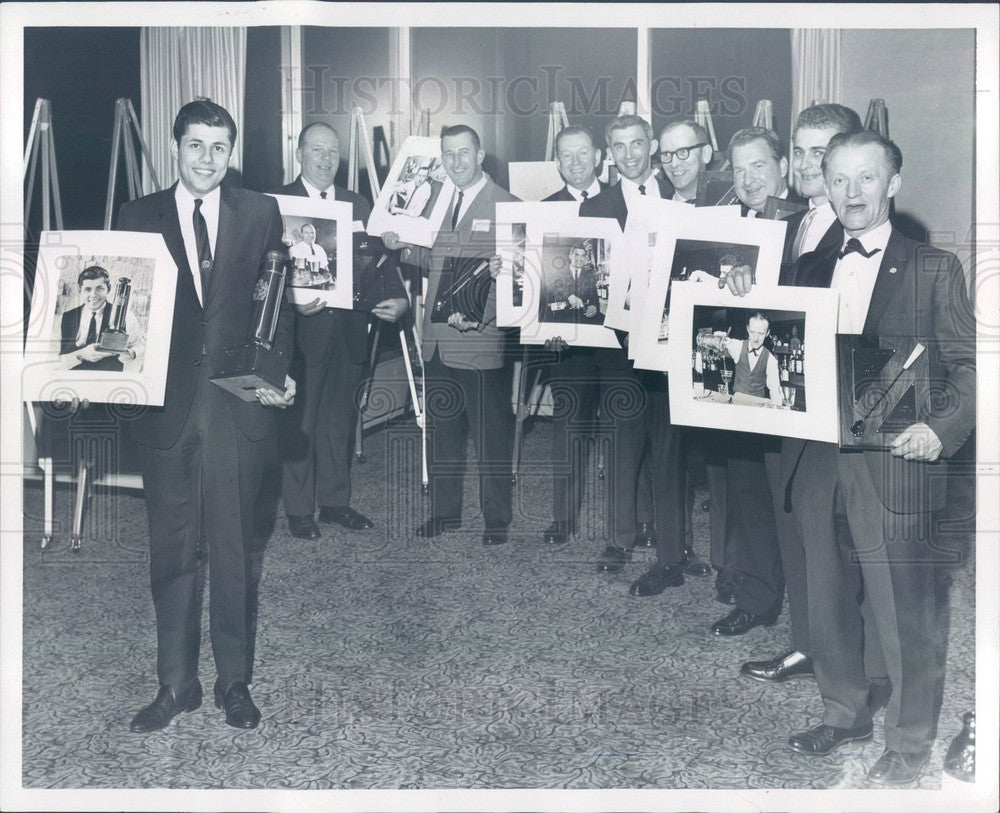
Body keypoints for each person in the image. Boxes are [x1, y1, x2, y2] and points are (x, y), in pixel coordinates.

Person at [780, 131, 974, 784]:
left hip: (896, 461)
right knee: (826, 597)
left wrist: (941, 429)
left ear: (894, 182)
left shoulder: (933, 266)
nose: (851, 192)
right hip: (820, 456)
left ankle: (911, 742)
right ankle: (844, 710)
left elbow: (974, 366)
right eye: (838, 178)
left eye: (867, 178)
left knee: (905, 608)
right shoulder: (808, 264)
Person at [116, 99, 296, 732]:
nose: (208, 160)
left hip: (235, 409)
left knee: (233, 550)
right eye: (196, 145)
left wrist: (276, 376)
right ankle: (176, 685)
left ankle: (234, 682)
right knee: (171, 551)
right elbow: (123, 309)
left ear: (231, 152)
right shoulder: (137, 216)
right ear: (175, 147)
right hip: (165, 413)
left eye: (220, 148)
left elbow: (276, 302)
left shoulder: (259, 212)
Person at [740, 103, 862, 684]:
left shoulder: (854, 229)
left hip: (829, 410)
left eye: (824, 151)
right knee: (789, 520)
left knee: (827, 538)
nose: (811, 163)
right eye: (803, 149)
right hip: (780, 402)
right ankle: (805, 644)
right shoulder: (786, 224)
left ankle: (841, 661)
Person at [579, 113, 705, 594]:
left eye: (638, 143)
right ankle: (620, 538)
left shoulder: (679, 195)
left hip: (671, 343)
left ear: (651, 145)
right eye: (619, 146)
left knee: (673, 448)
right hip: (619, 344)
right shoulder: (596, 207)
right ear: (608, 153)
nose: (630, 154)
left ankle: (678, 542)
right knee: (623, 441)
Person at [383, 125, 517, 546]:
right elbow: (432, 257)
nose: (456, 162)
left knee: (489, 433)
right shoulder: (438, 203)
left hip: (477, 336)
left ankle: (496, 518)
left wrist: (480, 317)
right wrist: (400, 244)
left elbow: (512, 274)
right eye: (449, 155)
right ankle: (445, 513)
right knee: (441, 430)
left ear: (481, 155)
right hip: (437, 336)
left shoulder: (506, 205)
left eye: (464, 153)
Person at [277, 122, 409, 541]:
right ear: (299, 153)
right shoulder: (278, 203)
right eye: (316, 150)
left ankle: (335, 502)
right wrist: (289, 301)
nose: (325, 159)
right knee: (301, 419)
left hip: (350, 328)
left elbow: (379, 260)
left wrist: (400, 299)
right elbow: (264, 268)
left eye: (333, 151)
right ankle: (299, 510)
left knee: (338, 418)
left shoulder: (358, 203)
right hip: (301, 330)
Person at [537, 126, 606, 544]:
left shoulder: (624, 203)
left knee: (628, 432)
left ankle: (637, 521)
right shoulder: (542, 211)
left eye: (583, 153)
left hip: (617, 340)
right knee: (569, 429)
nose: (576, 162)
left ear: (598, 156)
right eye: (567, 155)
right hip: (566, 342)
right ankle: (563, 517)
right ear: (557, 162)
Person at [58, 265, 136, 371]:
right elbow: (61, 359)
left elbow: (138, 346)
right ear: (80, 290)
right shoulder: (68, 317)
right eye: (88, 289)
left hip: (109, 377)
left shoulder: (126, 316)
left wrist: (132, 354)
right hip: (75, 376)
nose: (93, 295)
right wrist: (80, 354)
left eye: (99, 288)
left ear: (108, 289)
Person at [705, 312, 784, 407]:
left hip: (757, 406)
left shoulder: (770, 359)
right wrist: (716, 339)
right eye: (752, 332)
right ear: (747, 329)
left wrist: (777, 404)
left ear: (767, 333)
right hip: (737, 402)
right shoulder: (738, 346)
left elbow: (775, 390)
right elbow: (722, 345)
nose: (755, 338)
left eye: (761, 333)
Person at [729, 126, 807, 217]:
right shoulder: (725, 222)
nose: (748, 181)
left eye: (758, 166)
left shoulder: (809, 218)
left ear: (782, 167)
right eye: (740, 171)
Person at [540, 242, 602, 324]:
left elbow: (594, 297)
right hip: (561, 318)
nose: (580, 258)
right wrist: (568, 296)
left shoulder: (589, 275)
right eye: (576, 255)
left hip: (583, 318)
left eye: (583, 255)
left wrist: (594, 307)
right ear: (570, 256)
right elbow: (550, 285)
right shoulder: (558, 272)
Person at [657, 120, 714, 203]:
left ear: (706, 153)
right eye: (666, 154)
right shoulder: (655, 211)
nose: (674, 164)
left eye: (683, 152)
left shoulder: (729, 209)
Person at [288, 222, 333, 288]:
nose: (310, 235)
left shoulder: (320, 248)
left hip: (321, 285)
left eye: (312, 233)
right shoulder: (293, 249)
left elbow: (326, 267)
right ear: (301, 234)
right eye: (307, 233)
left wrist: (331, 282)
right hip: (303, 286)